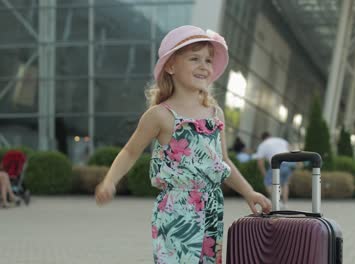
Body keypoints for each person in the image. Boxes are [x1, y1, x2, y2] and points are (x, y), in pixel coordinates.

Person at [94, 25, 271, 263]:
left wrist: (249, 193)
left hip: (211, 210)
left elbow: (224, 162)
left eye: (208, 60)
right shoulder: (160, 115)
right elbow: (129, 151)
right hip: (176, 213)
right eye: (194, 58)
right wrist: (109, 181)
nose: (204, 66)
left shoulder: (215, 114)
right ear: (171, 66)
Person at [255, 132, 293, 209]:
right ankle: (285, 204)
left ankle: (277, 202)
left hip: (276, 164)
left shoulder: (263, 145)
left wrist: (265, 175)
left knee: (268, 182)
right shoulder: (281, 140)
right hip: (288, 163)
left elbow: (260, 163)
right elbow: (291, 149)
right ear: (270, 136)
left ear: (262, 139)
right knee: (285, 184)